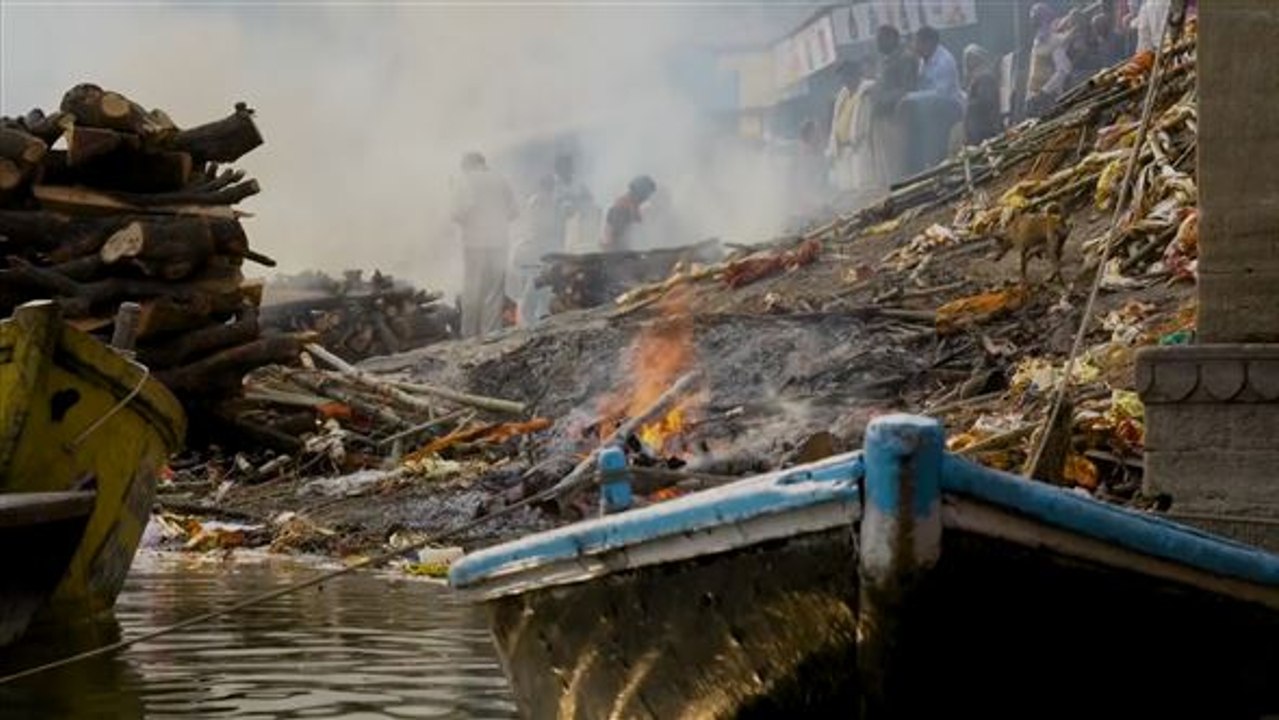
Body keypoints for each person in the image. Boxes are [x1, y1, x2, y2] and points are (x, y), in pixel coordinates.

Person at [450, 152, 517, 338]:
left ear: (466, 165)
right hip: (499, 243)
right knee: (494, 292)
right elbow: (513, 213)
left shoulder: (465, 180)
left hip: (474, 243)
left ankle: (470, 336)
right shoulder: (501, 179)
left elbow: (458, 212)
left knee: (472, 290)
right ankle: (491, 335)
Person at [901, 25, 965, 175]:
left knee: (936, 137)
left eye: (917, 43)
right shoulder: (924, 60)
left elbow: (940, 94)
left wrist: (909, 97)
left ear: (928, 42)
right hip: (932, 109)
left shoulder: (944, 61)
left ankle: (940, 166)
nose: (915, 47)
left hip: (949, 107)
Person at [870, 25, 918, 184]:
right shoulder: (885, 61)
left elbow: (908, 88)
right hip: (884, 119)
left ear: (892, 38)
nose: (877, 43)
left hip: (897, 118)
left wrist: (883, 99)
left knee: (899, 166)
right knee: (887, 170)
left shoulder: (905, 58)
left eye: (880, 39)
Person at [826, 60, 882, 194]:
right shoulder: (843, 95)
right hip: (843, 149)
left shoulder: (867, 91)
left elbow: (867, 122)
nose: (845, 79)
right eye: (842, 77)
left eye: (847, 75)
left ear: (856, 74)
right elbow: (836, 121)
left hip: (860, 146)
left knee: (865, 187)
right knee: (848, 191)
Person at [509, 175, 558, 327]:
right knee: (539, 292)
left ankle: (535, 323)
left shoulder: (538, 201)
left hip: (537, 252)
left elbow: (535, 226)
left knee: (533, 295)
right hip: (541, 251)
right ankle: (539, 320)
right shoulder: (546, 202)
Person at [1025, 3, 1073, 117]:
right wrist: (1031, 95)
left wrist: (1044, 91)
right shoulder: (1037, 42)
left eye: (1041, 20)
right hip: (1034, 96)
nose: (1040, 25)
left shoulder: (1055, 41)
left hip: (1049, 98)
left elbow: (1063, 71)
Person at [602, 175, 656, 252]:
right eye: (646, 194)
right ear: (640, 192)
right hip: (619, 255)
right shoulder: (623, 206)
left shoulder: (633, 206)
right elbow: (619, 236)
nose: (647, 198)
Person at [962, 44, 1002, 146]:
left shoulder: (985, 77)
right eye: (966, 59)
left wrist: (970, 104)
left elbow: (985, 101)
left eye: (971, 58)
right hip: (975, 127)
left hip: (984, 127)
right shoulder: (974, 77)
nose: (968, 62)